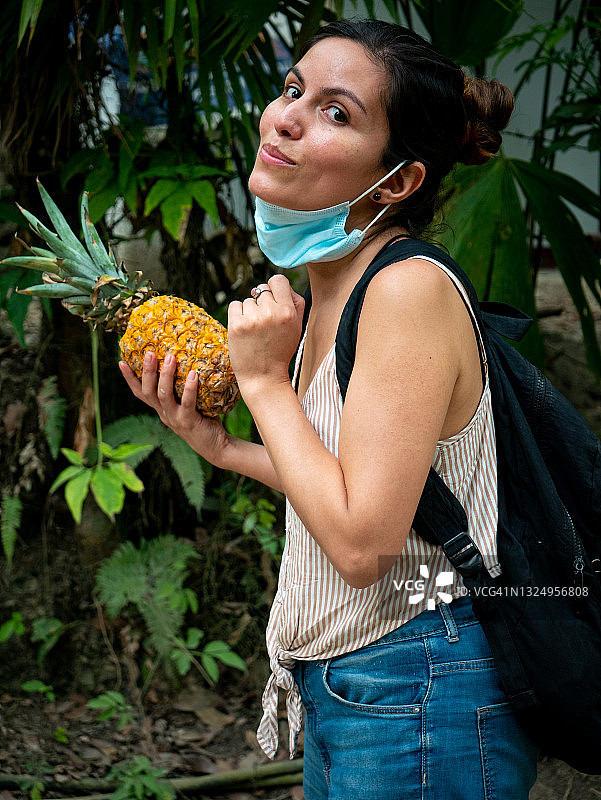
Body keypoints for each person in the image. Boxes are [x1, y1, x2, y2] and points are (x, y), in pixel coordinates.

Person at [119, 19, 540, 799]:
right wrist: (226, 452)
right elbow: (355, 490)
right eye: (292, 90)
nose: (285, 116)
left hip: (418, 685)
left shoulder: (404, 290)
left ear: (397, 181)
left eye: (336, 112)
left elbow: (361, 546)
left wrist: (265, 384)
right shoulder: (333, 284)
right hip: (363, 682)